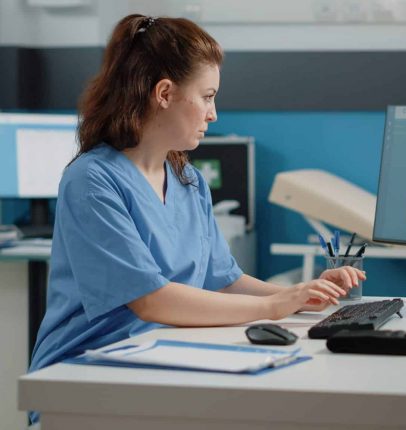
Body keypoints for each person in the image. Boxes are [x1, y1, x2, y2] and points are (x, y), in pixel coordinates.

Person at [28, 15, 364, 423]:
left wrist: (302, 294)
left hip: (161, 361)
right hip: (84, 376)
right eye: (207, 96)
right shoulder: (91, 181)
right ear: (165, 93)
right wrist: (276, 305)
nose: (214, 113)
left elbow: (224, 281)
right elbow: (151, 299)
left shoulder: (189, 182)